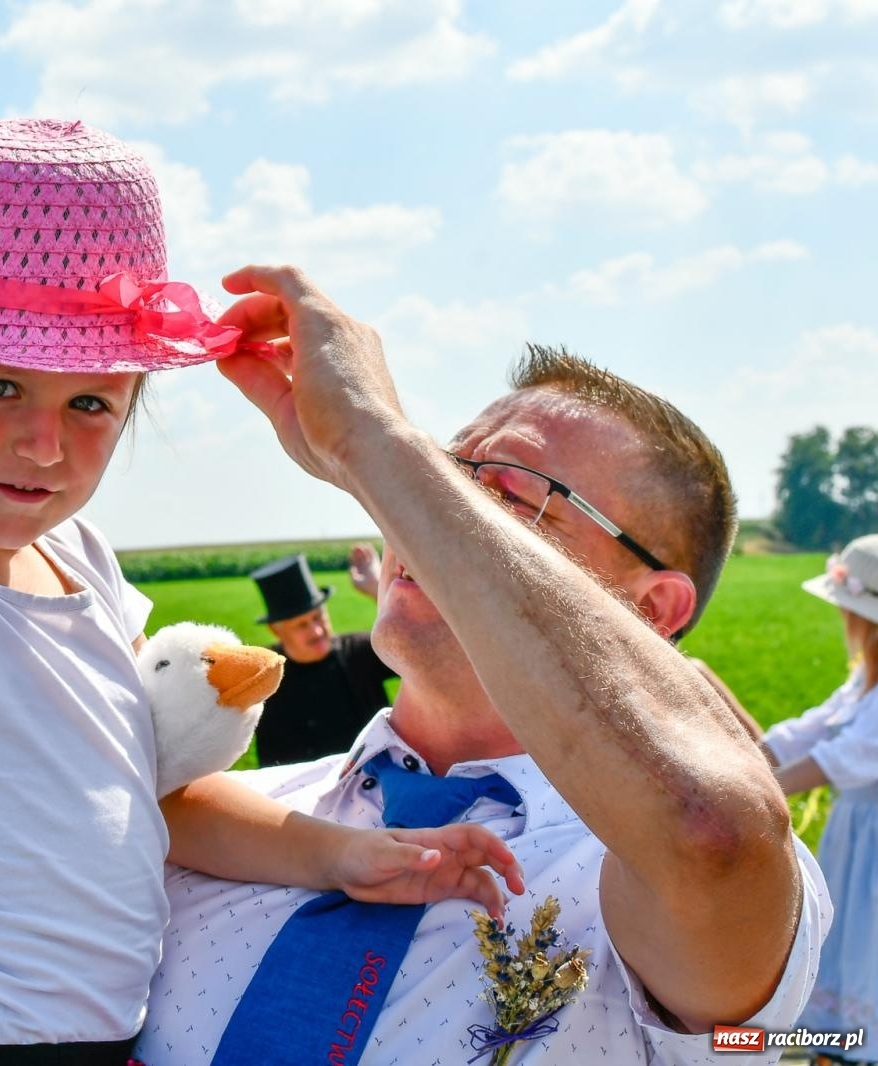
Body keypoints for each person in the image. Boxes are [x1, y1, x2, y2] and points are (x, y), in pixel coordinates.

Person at [0, 120, 521, 1065]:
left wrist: (336, 854)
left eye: (91, 403)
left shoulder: (82, 560)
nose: (45, 444)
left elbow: (157, 797)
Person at [137, 266, 830, 1065]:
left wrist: (370, 435)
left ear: (651, 610)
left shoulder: (647, 874)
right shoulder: (203, 817)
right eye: (443, 476)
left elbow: (709, 835)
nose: (433, 516)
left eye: (506, 491)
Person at [761, 534, 878, 1065]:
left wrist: (744, 794)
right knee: (846, 943)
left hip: (872, 849)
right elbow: (807, 731)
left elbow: (834, 759)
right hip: (855, 841)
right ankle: (836, 1046)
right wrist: (743, 755)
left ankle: (857, 1046)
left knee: (865, 944)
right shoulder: (863, 682)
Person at [250, 546, 396, 765]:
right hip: (291, 796)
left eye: (318, 617)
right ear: (275, 630)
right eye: (301, 625)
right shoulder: (260, 673)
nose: (317, 631)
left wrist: (378, 588)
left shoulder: (360, 652)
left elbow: (427, 650)